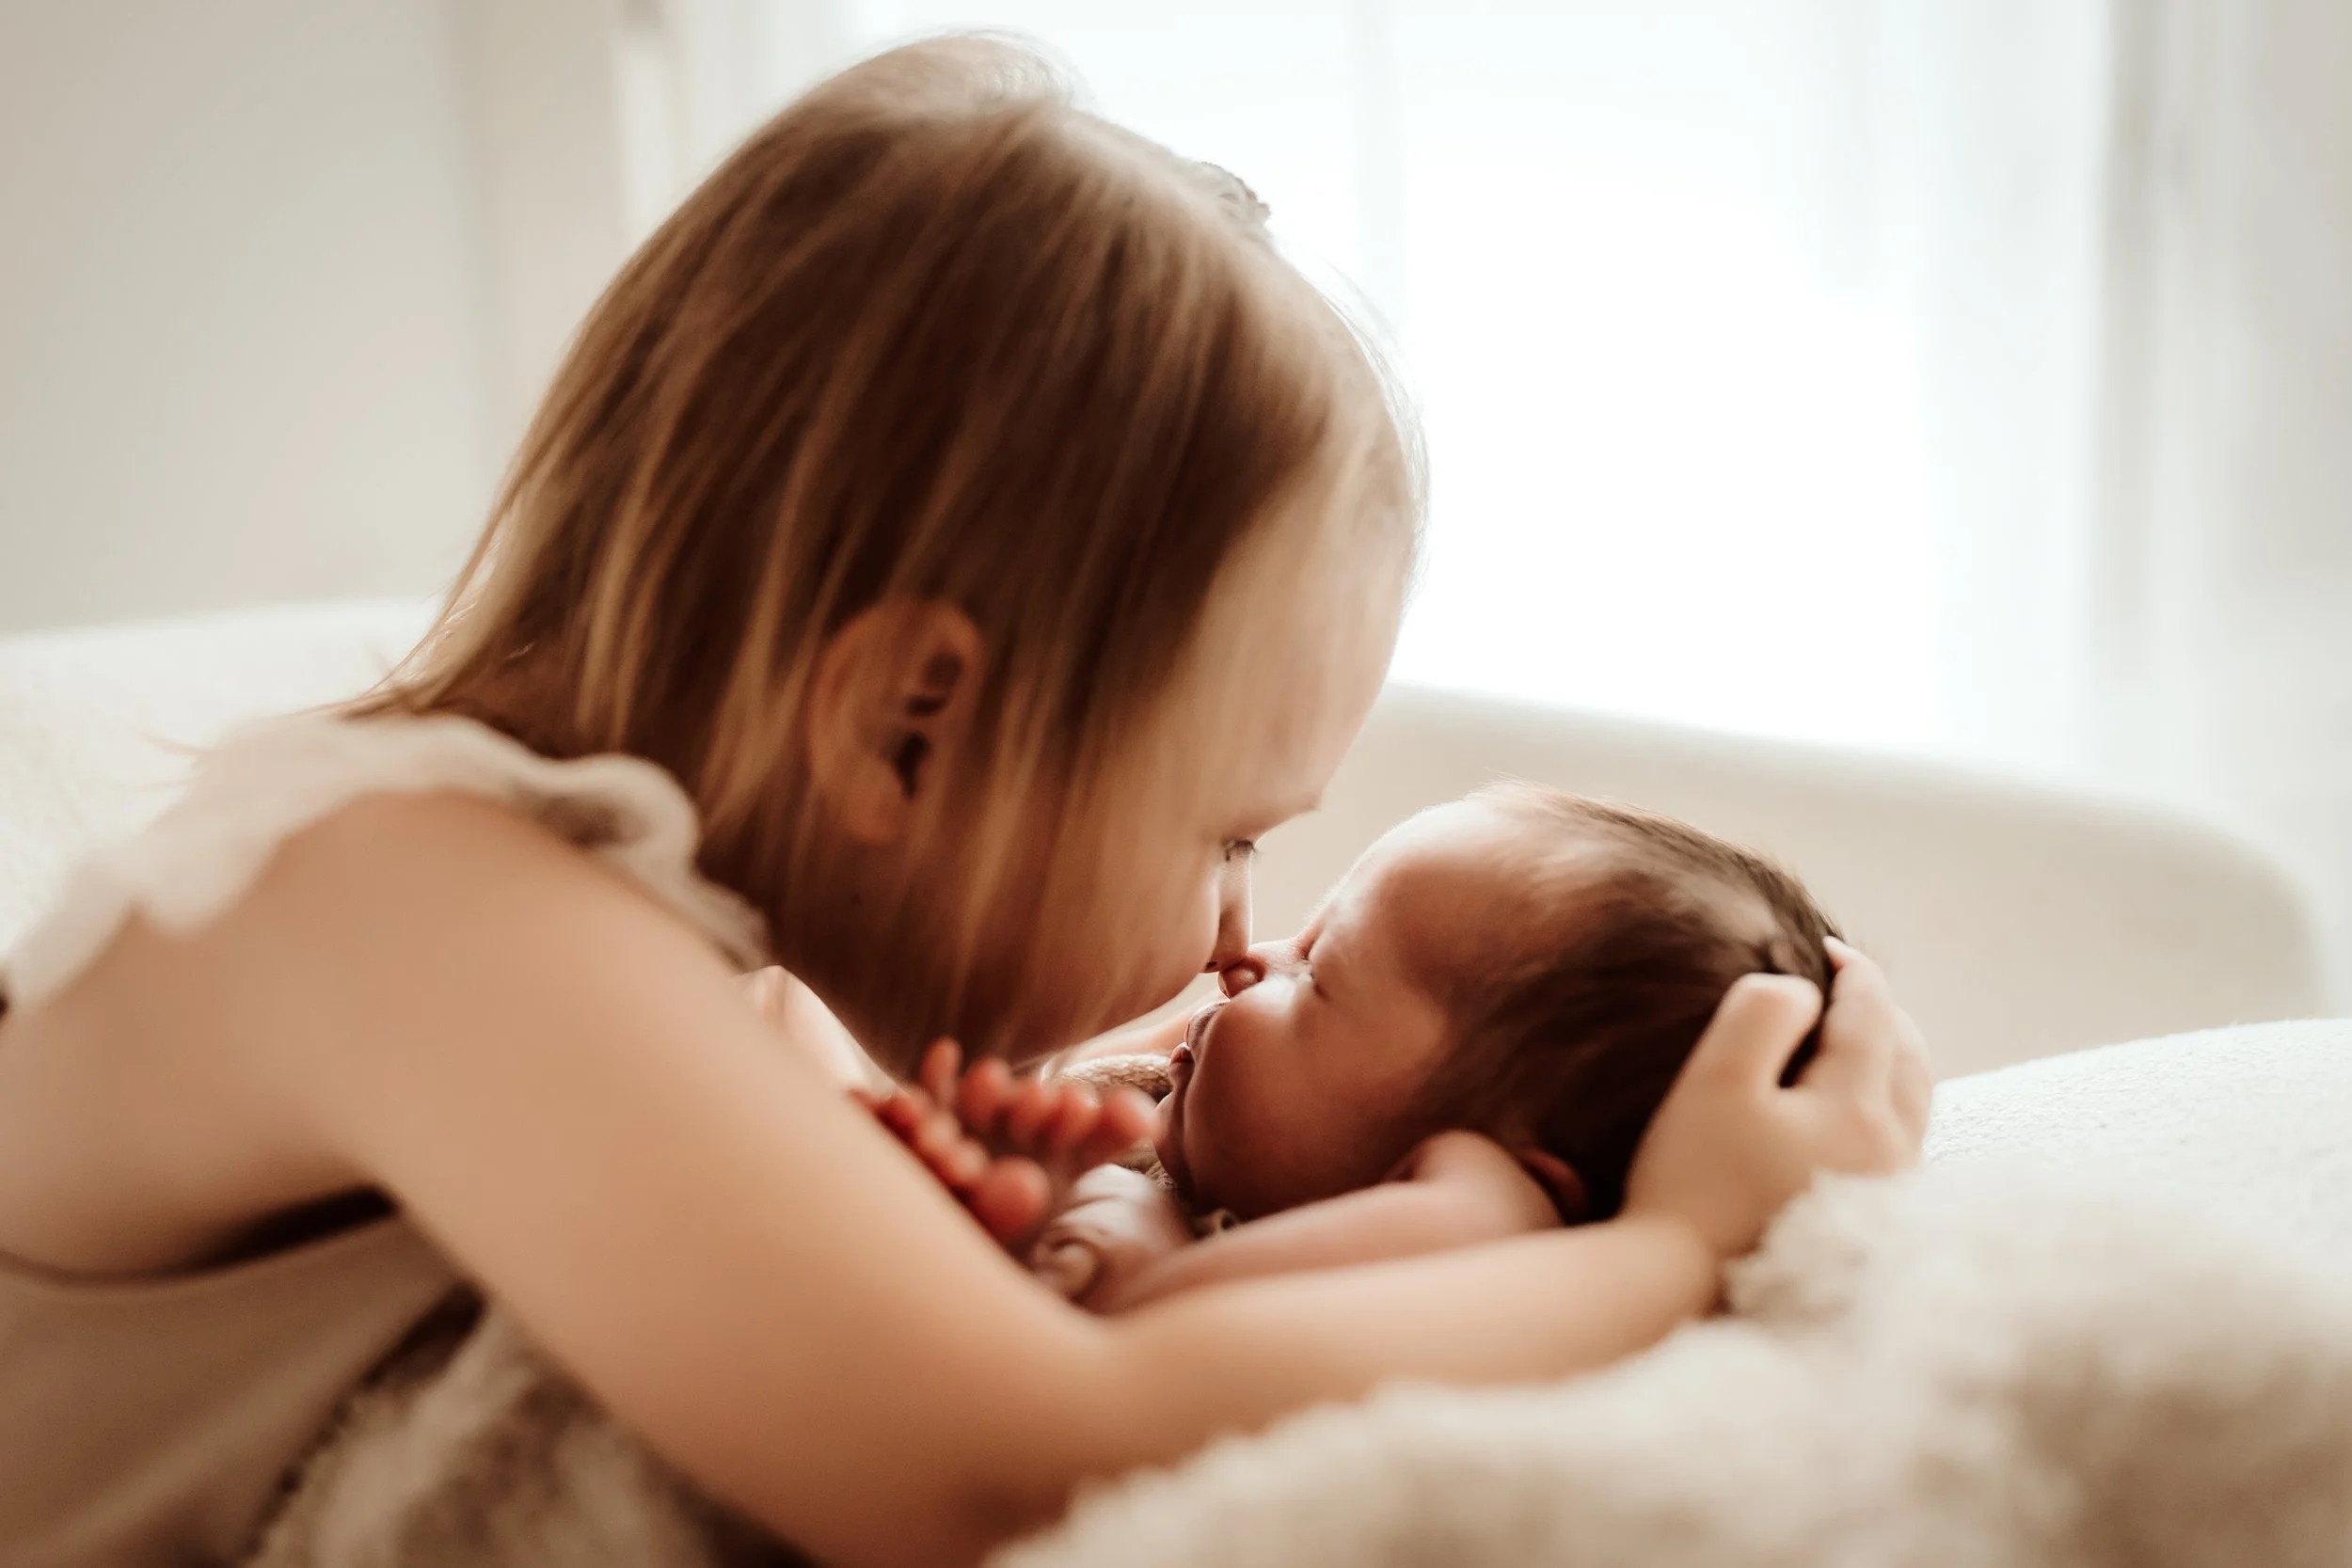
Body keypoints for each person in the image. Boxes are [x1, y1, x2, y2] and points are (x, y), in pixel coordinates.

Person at [0, 37, 1930, 1568]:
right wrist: (1666, 1247)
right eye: (1224, 834)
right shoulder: (425, 905)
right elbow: (996, 1470)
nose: (1235, 936)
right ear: (907, 722)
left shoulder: (660, 936)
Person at [898, 784, 1867, 1315]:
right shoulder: (1219, 1137)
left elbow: (1163, 1320)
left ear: (1470, 1163)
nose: (1246, 959)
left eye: (1316, 974)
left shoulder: (1473, 1222)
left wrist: (1107, 1211)